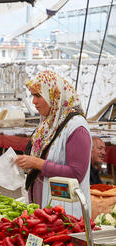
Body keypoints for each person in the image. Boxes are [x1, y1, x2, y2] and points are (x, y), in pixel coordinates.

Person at [15, 70, 91, 218]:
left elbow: (77, 173)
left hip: (65, 213)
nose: (34, 102)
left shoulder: (76, 127)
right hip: (44, 210)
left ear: (54, 96)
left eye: (38, 96)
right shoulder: (48, 125)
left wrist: (38, 163)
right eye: (33, 96)